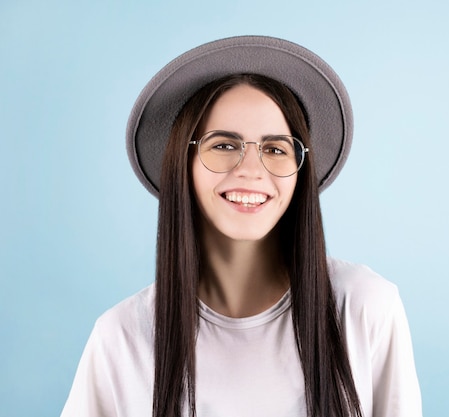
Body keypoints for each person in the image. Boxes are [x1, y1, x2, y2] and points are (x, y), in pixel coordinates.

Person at [61, 36, 422, 417]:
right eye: (224, 145)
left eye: (276, 149)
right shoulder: (121, 338)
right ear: (182, 163)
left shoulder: (365, 307)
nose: (251, 170)